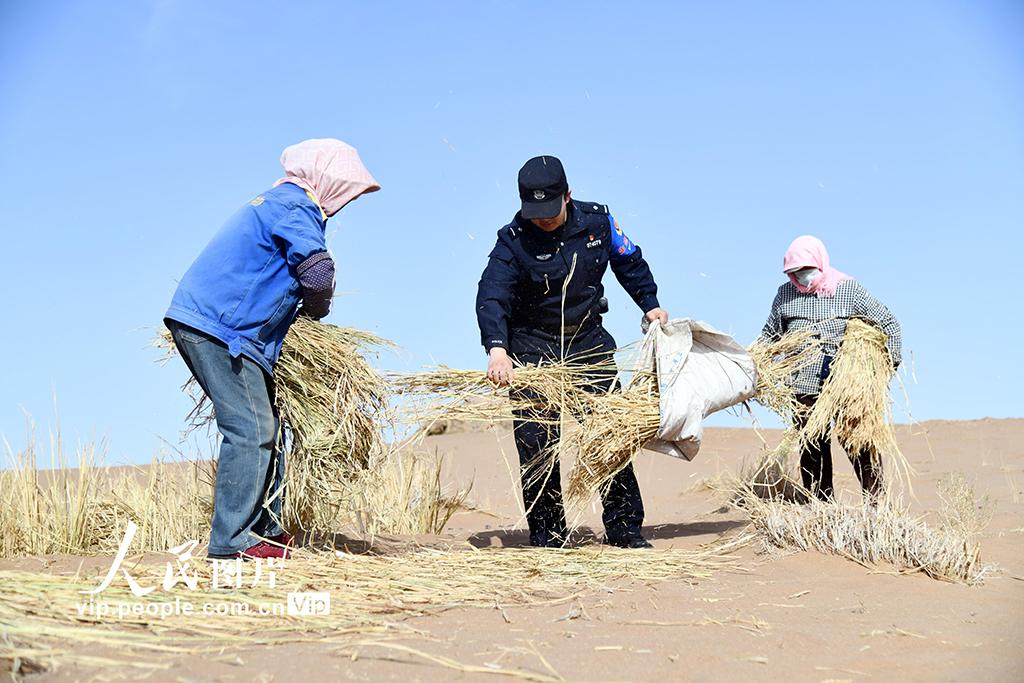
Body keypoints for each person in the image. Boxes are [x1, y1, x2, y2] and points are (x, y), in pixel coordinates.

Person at [164, 139, 380, 559]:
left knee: (270, 427)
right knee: (250, 429)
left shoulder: (276, 202)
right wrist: (316, 310)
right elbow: (317, 272)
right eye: (348, 190)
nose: (347, 201)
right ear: (327, 178)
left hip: (216, 325)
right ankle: (231, 541)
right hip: (223, 329)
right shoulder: (295, 205)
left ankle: (263, 527)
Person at [476, 155, 669, 548]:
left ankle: (625, 530)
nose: (543, 220)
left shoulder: (598, 222)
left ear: (568, 195)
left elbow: (629, 262)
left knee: (610, 434)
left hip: (587, 342)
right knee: (537, 445)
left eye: (551, 210)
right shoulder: (512, 240)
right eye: (535, 213)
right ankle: (548, 537)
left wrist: (649, 304)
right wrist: (497, 349)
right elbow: (492, 295)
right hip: (532, 347)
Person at [757, 235, 902, 501]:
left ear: (820, 263)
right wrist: (755, 363)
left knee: (857, 441)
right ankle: (821, 505)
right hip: (803, 387)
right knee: (812, 444)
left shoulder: (848, 290)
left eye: (806, 270)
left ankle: (876, 504)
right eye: (795, 272)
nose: (801, 276)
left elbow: (889, 323)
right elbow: (770, 334)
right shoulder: (785, 295)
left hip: (846, 386)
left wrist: (886, 368)